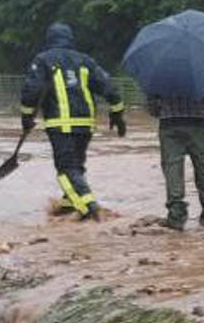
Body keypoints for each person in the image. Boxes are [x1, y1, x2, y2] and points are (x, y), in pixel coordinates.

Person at [19, 23, 127, 221]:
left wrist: (26, 117)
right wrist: (117, 113)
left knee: (66, 169)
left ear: (49, 40)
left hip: (60, 124)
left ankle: (90, 207)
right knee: (77, 166)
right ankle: (69, 204)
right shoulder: (85, 60)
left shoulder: (43, 60)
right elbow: (109, 86)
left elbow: (31, 91)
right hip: (85, 124)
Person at [147, 89, 204, 231]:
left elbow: (153, 108)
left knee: (172, 169)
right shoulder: (202, 71)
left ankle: (176, 217)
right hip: (200, 123)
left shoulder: (158, 77)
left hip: (170, 124)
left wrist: (162, 108)